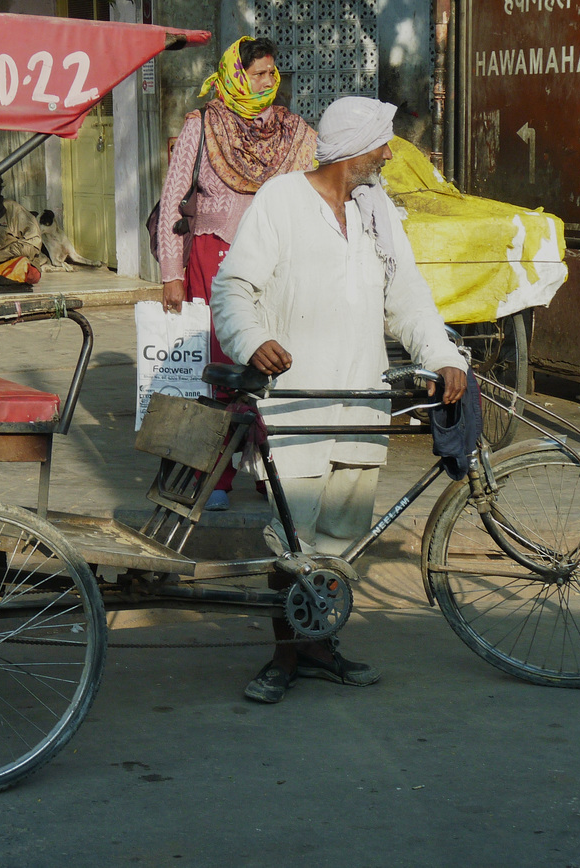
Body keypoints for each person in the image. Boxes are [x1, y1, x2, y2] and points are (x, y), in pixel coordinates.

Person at [210, 96, 469, 704]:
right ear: (353, 150)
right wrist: (254, 341)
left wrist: (444, 356)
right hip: (296, 401)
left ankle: (319, 647)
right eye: (381, 144)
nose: (386, 155)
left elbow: (408, 297)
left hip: (361, 396)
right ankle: (283, 657)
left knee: (341, 536)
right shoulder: (280, 200)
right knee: (292, 539)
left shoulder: (377, 209)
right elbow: (233, 289)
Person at [156, 36, 317, 511]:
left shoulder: (293, 131)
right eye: (259, 73)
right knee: (226, 368)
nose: (269, 81)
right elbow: (173, 197)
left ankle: (274, 470)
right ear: (235, 74)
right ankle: (220, 476)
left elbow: (314, 187)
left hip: (276, 260)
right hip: (215, 257)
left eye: (272, 72)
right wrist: (171, 270)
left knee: (276, 363)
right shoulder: (203, 125)